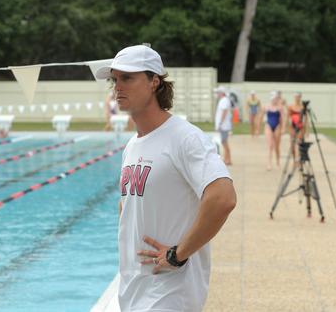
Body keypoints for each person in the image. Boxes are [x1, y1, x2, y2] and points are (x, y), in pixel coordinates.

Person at [95, 45, 236, 312]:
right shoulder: (132, 146)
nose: (117, 87)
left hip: (170, 293)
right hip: (134, 290)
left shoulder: (184, 137)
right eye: (115, 79)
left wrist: (177, 254)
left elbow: (223, 197)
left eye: (128, 78)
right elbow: (127, 206)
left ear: (154, 82)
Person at [264, 91, 284, 170]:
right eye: (273, 99)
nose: (274, 100)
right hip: (268, 125)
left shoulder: (280, 107)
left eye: (275, 99)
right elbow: (261, 116)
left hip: (277, 126)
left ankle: (278, 161)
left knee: (277, 146)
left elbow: (282, 119)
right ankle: (269, 163)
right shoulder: (267, 106)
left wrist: (283, 128)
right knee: (270, 145)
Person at [214, 86, 233, 165]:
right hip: (223, 125)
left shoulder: (224, 100)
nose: (217, 94)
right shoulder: (223, 100)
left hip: (224, 126)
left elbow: (224, 112)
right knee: (224, 142)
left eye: (218, 92)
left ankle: (227, 159)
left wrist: (220, 123)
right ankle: (227, 159)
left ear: (222, 93)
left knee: (224, 142)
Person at [287, 92, 308, 161]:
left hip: (301, 127)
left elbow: (306, 119)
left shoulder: (303, 107)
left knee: (299, 143)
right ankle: (294, 159)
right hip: (293, 127)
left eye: (298, 97)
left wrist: (307, 130)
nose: (297, 98)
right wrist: (287, 127)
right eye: (296, 97)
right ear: (294, 97)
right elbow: (288, 118)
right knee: (292, 145)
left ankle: (298, 160)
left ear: (300, 97)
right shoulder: (290, 107)